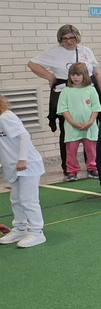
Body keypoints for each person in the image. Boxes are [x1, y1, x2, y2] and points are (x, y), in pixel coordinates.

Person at [27, 24, 101, 175]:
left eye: (72, 38)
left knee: (91, 131)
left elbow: (96, 73)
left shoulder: (86, 51)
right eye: (65, 39)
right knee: (68, 132)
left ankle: (92, 166)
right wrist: (50, 76)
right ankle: (69, 168)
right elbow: (32, 64)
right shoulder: (54, 52)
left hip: (87, 91)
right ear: (60, 40)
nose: (69, 41)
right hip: (66, 92)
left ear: (77, 38)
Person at [0, 95, 46, 248]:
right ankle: (20, 228)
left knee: (28, 200)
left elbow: (24, 136)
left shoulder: (6, 117)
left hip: (28, 165)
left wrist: (22, 159)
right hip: (13, 167)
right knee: (16, 200)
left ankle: (37, 232)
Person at [57, 62, 101, 181]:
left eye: (78, 75)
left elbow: (96, 108)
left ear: (84, 75)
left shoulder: (91, 90)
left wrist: (90, 122)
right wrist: (73, 123)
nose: (75, 77)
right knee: (71, 151)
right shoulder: (66, 91)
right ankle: (72, 171)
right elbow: (63, 109)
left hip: (89, 127)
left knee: (91, 150)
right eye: (73, 75)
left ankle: (92, 168)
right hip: (72, 127)